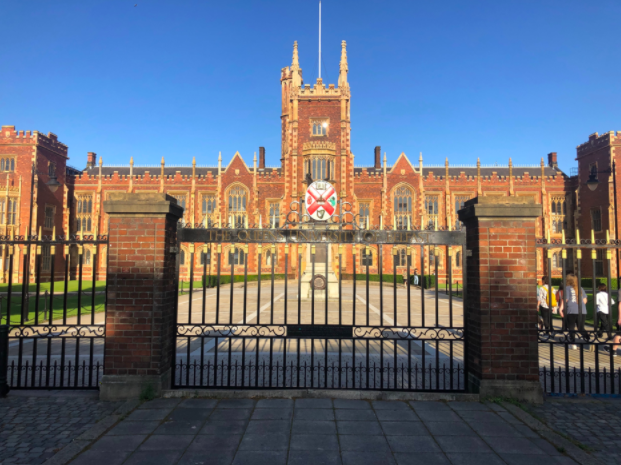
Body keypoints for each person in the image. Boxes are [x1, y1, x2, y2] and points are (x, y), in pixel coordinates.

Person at [564, 275, 590, 346]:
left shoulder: (567, 288)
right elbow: (585, 301)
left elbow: (566, 300)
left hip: (571, 310)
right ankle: (588, 339)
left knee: (571, 327)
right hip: (582, 311)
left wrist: (561, 308)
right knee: (580, 327)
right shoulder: (580, 288)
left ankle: (572, 343)